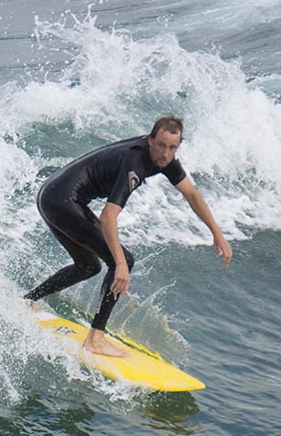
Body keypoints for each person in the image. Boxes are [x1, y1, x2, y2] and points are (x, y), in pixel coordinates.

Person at [24, 116, 232, 357]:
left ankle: (28, 300)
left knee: (88, 266)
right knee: (123, 261)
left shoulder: (166, 161)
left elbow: (192, 194)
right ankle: (95, 339)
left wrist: (217, 233)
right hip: (62, 201)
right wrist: (120, 263)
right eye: (161, 145)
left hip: (53, 196)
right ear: (150, 140)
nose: (165, 153)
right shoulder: (136, 161)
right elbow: (109, 215)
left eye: (172, 148)